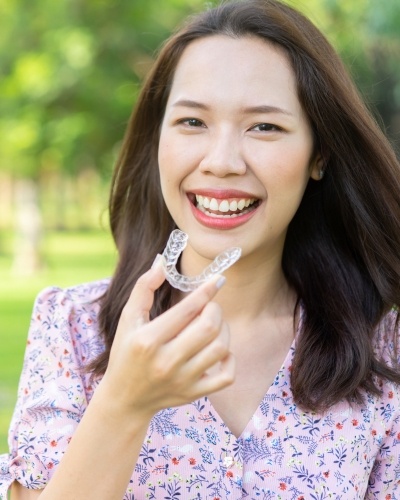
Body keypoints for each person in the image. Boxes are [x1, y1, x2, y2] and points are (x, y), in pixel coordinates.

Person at [1, 0, 400, 498]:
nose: (222, 162)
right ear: (158, 140)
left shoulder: (384, 350)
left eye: (264, 126)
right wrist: (124, 402)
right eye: (193, 122)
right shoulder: (72, 329)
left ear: (318, 155)